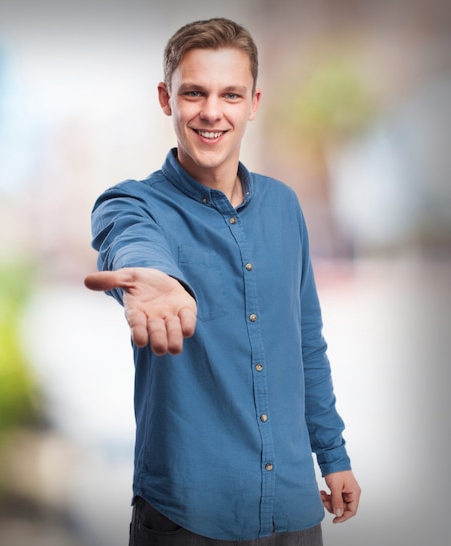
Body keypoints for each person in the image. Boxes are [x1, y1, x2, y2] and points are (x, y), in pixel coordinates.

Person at [84, 17, 360, 545]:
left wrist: (333, 456)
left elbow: (306, 345)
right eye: (194, 93)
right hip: (188, 516)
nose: (212, 112)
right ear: (167, 99)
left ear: (253, 102)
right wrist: (153, 276)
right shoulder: (134, 203)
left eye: (230, 94)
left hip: (294, 512)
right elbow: (130, 240)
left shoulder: (284, 206)